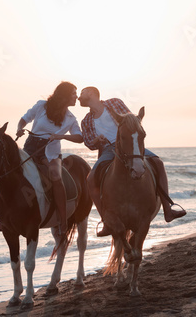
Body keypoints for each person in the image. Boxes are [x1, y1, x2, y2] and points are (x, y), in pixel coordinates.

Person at [78, 86, 186, 237]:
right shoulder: (86, 121)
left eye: (81, 93)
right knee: (90, 179)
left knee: (158, 163)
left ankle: (168, 210)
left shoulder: (114, 103)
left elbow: (132, 120)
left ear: (91, 93)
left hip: (128, 145)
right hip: (109, 150)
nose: (78, 97)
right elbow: (89, 143)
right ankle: (106, 221)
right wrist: (97, 139)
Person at [14, 81, 83, 237]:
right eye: (73, 93)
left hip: (50, 153)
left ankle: (63, 221)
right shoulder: (41, 106)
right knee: (13, 173)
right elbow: (24, 119)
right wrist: (19, 129)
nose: (76, 97)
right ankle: (4, 217)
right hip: (31, 148)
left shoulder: (71, 118)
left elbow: (80, 137)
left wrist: (61, 136)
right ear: (64, 95)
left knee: (56, 177)